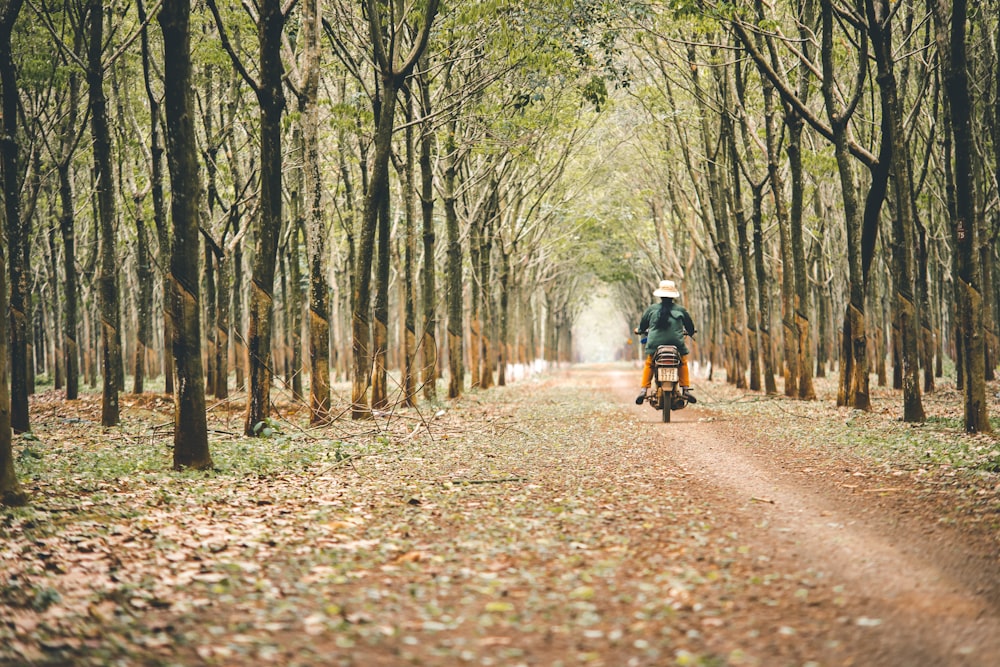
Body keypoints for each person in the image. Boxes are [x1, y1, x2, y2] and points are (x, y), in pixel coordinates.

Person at [635, 279, 697, 405]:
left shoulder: (651, 309)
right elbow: (690, 327)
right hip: (677, 346)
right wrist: (691, 332)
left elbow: (642, 326)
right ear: (673, 296)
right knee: (682, 363)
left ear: (660, 295)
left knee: (650, 364)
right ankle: (685, 389)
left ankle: (643, 390)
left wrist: (639, 330)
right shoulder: (681, 310)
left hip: (655, 346)